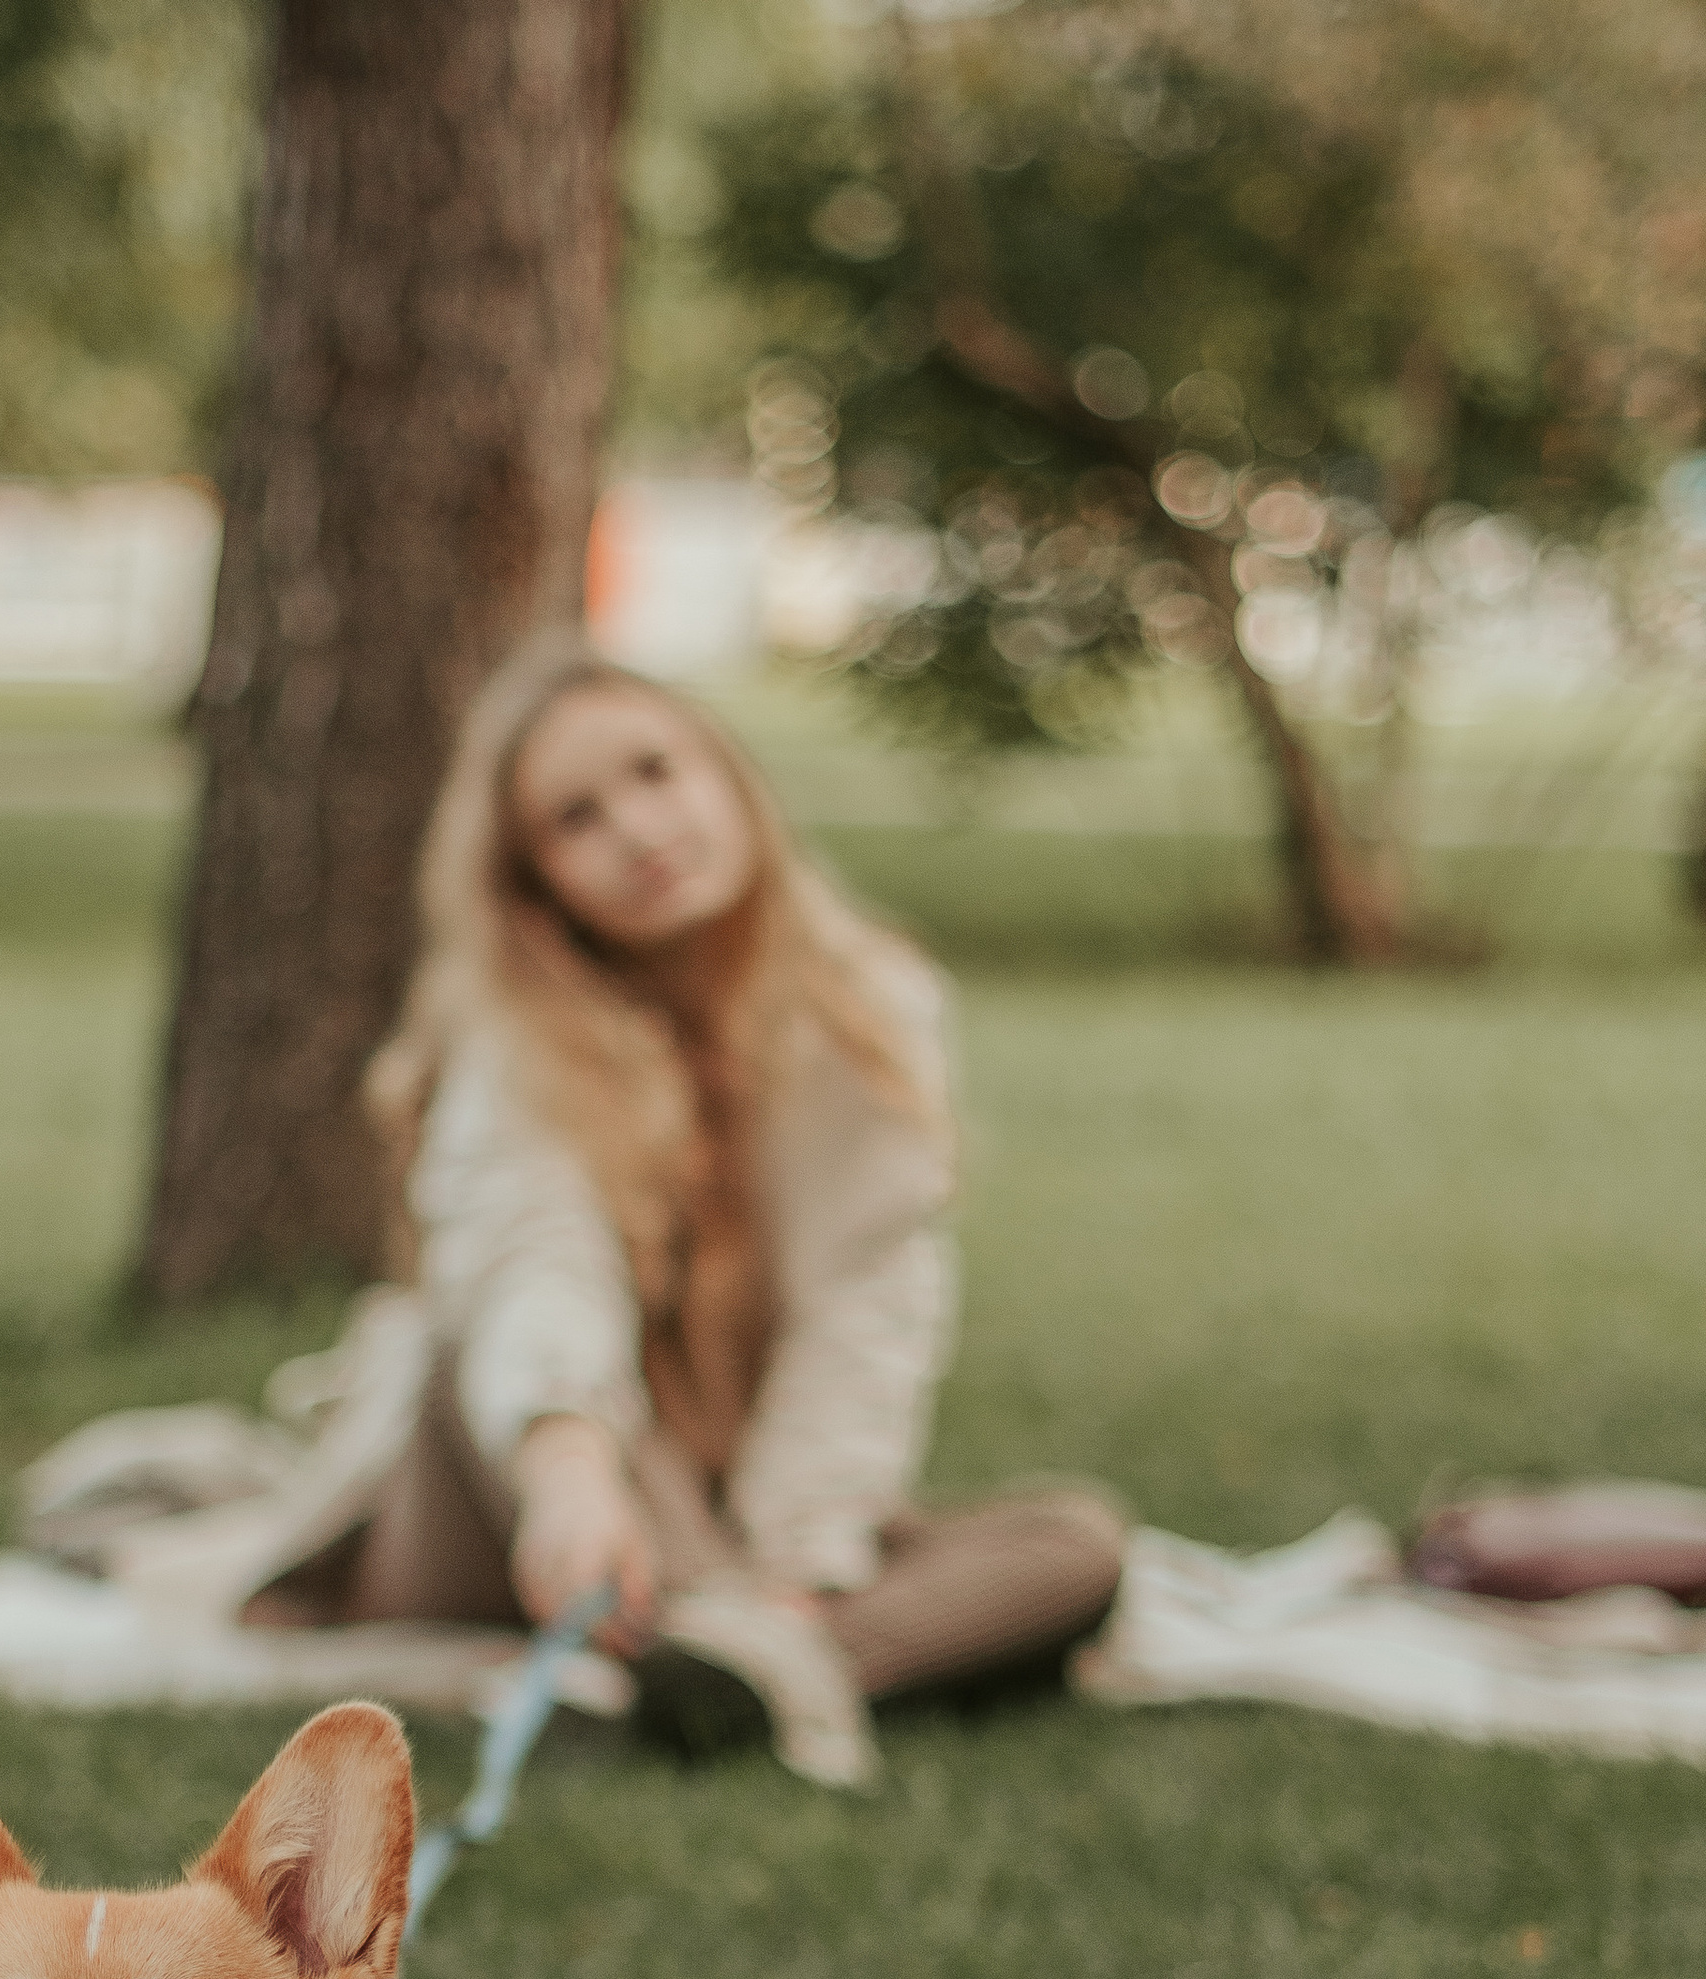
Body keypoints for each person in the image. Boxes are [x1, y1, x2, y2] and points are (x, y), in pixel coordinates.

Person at [299, 633, 1127, 1786]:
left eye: (655, 772)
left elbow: (866, 1312)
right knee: (527, 1375)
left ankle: (747, 1658)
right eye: (574, 819)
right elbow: (531, 1268)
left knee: (1075, 1544)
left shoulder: (870, 1010)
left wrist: (799, 1559)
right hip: (538, 1492)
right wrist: (568, 1465)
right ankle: (763, 1655)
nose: (638, 831)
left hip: (736, 1522)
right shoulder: (511, 1035)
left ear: (726, 776)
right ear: (532, 880)